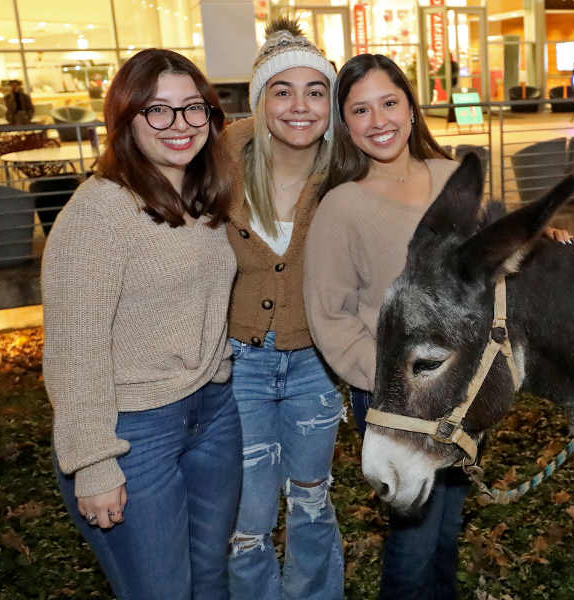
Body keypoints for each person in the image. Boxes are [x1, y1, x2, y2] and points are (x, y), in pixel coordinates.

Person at [305, 54, 571, 600]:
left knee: (447, 527)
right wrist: (393, 384)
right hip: (396, 394)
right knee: (413, 540)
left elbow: (488, 263)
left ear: (410, 107)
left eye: (389, 102)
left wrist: (542, 240)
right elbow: (329, 318)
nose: (378, 120)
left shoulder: (453, 179)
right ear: (344, 123)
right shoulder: (342, 207)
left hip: (455, 385)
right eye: (360, 109)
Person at [41, 48, 241, 600]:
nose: (180, 125)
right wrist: (93, 462)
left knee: (210, 580)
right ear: (125, 119)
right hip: (133, 433)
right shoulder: (98, 212)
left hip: (213, 414)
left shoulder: (203, 198)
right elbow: (72, 352)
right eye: (158, 110)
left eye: (192, 108)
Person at [223, 18, 345, 600]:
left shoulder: (349, 171)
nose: (300, 105)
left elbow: (422, 192)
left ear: (331, 104)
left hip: (314, 365)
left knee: (310, 502)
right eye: (283, 90)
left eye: (315, 91)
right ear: (260, 101)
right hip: (235, 365)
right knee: (246, 523)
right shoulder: (220, 166)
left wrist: (528, 234)